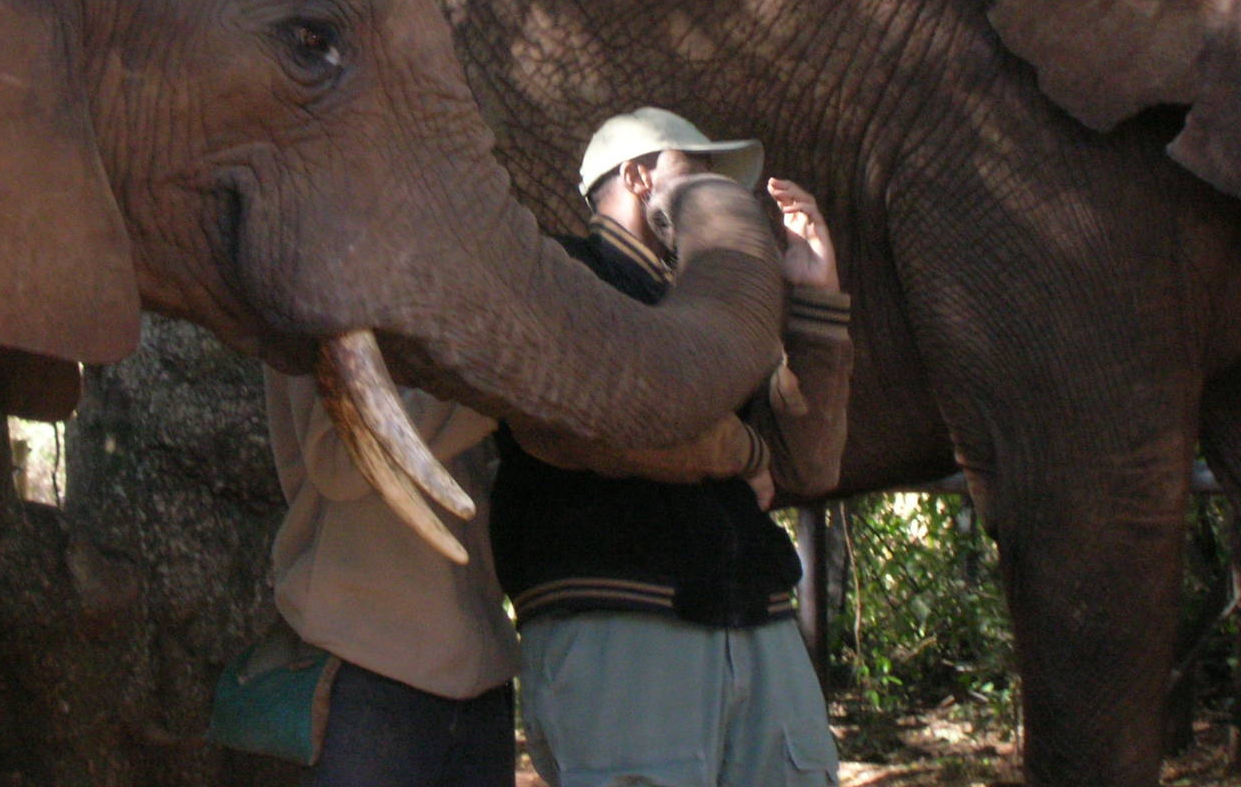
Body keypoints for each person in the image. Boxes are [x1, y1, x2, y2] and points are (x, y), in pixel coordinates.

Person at [489, 105, 853, 787]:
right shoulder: (557, 270)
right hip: (620, 622)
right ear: (636, 177)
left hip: (759, 619)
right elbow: (599, 417)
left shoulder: (711, 310)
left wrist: (816, 303)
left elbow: (807, 466)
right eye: (696, 170)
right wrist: (745, 454)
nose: (718, 190)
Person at [264, 367, 519, 786]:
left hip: (483, 680)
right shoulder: (325, 320)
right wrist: (491, 390)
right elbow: (342, 458)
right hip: (366, 667)